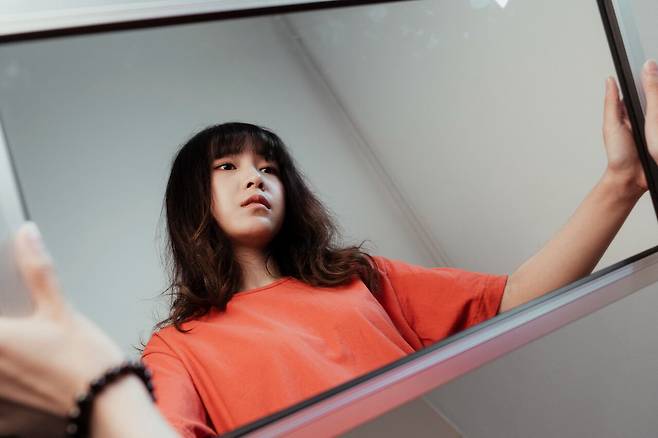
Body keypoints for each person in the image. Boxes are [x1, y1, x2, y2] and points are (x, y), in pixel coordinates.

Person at [1, 61, 658, 438]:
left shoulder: (357, 277)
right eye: (228, 166)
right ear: (192, 201)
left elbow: (514, 301)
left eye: (268, 167)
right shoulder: (177, 347)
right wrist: (96, 388)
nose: (255, 178)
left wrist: (622, 181)